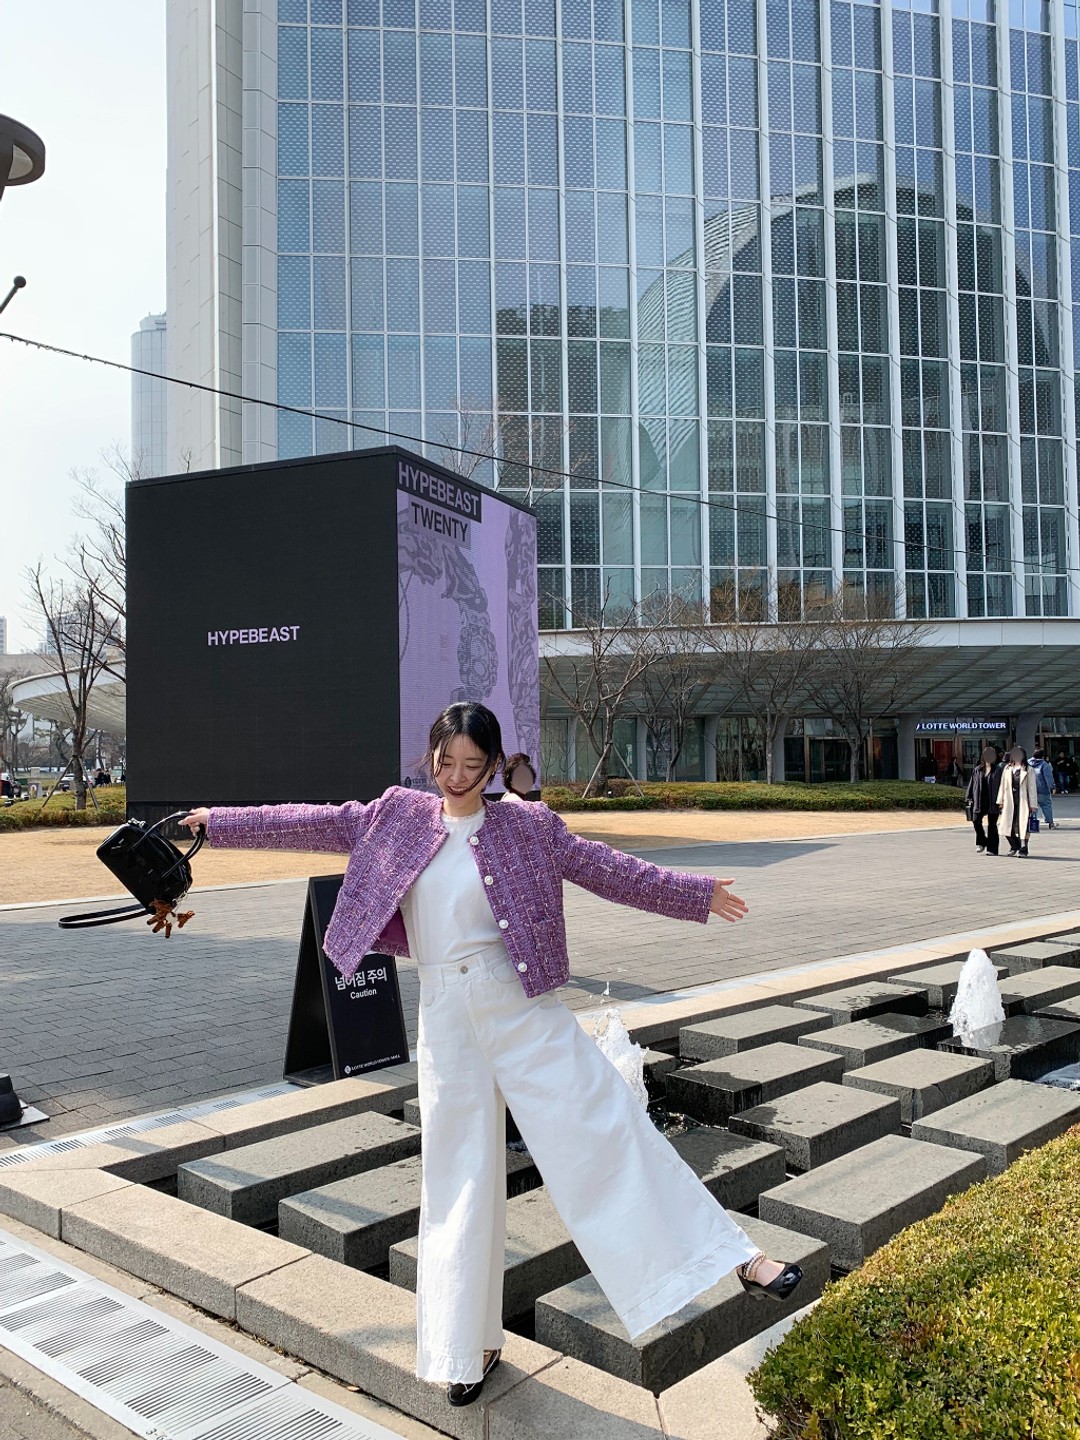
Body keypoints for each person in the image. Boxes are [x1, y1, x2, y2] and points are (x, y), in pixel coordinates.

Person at [180, 702, 802, 1407]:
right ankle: (464, 1349)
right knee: (459, 1177)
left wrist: (694, 894)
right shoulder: (396, 815)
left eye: (472, 767)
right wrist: (217, 822)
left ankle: (737, 1258)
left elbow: (605, 868)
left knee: (606, 1123)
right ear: (430, 757)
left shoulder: (528, 826)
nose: (455, 778)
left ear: (496, 767)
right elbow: (311, 822)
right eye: (445, 763)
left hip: (521, 1005)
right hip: (446, 1015)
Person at [998, 745, 1038, 858]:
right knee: (1006, 825)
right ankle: (1014, 845)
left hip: (1023, 800)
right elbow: (1002, 785)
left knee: (1023, 825)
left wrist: (1033, 804)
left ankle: (1023, 848)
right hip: (1009, 801)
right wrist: (1000, 800)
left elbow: (1032, 788)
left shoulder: (1028, 769)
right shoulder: (1007, 768)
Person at [965, 747, 1002, 855]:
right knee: (976, 821)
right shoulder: (978, 769)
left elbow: (1002, 786)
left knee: (992, 825)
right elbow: (972, 784)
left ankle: (992, 849)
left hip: (993, 801)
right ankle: (983, 842)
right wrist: (968, 797)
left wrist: (1002, 800)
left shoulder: (998, 770)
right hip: (979, 800)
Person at [1030, 748, 1056, 829]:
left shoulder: (1028, 763)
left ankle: (1032, 824)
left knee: (1032, 807)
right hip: (1042, 789)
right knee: (1046, 805)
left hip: (1030, 790)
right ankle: (1050, 822)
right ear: (1043, 756)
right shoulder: (1044, 765)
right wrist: (1052, 787)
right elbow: (1048, 777)